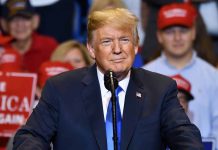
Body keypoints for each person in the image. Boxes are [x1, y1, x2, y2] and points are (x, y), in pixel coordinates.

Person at [13, 8, 203, 150]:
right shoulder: (61, 88)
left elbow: (185, 136)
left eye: (125, 40)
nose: (117, 49)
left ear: (136, 46)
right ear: (91, 49)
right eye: (106, 41)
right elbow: (30, 136)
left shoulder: (160, 89)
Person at [143, 3, 218, 149]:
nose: (177, 37)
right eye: (170, 31)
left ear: (194, 32)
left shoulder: (213, 76)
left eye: (183, 30)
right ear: (159, 36)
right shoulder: (144, 76)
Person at [0, 0, 58, 73]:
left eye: (25, 18)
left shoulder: (49, 46)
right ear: (4, 24)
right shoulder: (1, 47)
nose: (20, 25)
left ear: (35, 20)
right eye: (13, 20)